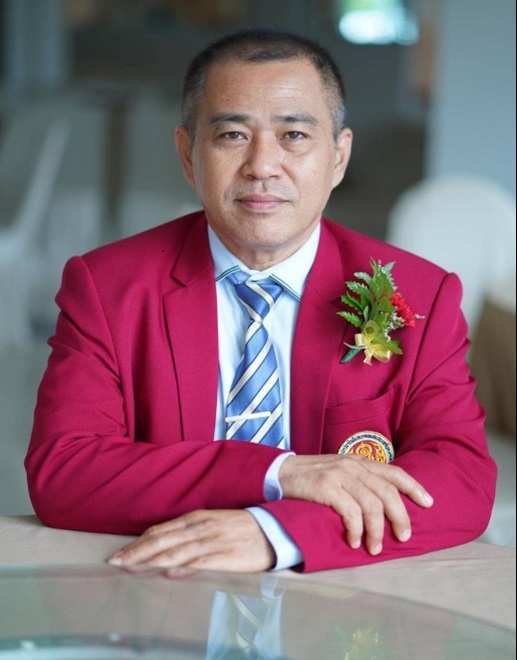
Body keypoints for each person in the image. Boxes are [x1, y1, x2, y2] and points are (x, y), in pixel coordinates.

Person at [25, 28, 496, 573]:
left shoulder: (420, 295)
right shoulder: (107, 287)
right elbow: (65, 471)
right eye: (232, 135)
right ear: (187, 154)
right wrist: (279, 474)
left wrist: (277, 532)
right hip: (163, 587)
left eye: (294, 134)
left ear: (339, 156)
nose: (262, 166)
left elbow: (461, 479)